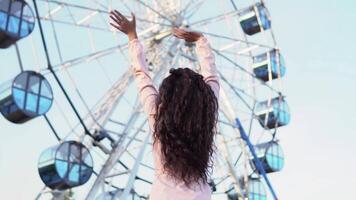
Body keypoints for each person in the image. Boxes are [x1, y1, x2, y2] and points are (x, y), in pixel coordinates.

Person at [110, 10, 220, 200]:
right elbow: (212, 76)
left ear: (166, 97)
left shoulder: (157, 116)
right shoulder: (207, 115)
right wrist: (201, 41)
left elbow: (141, 75)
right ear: (203, 98)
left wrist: (132, 36)